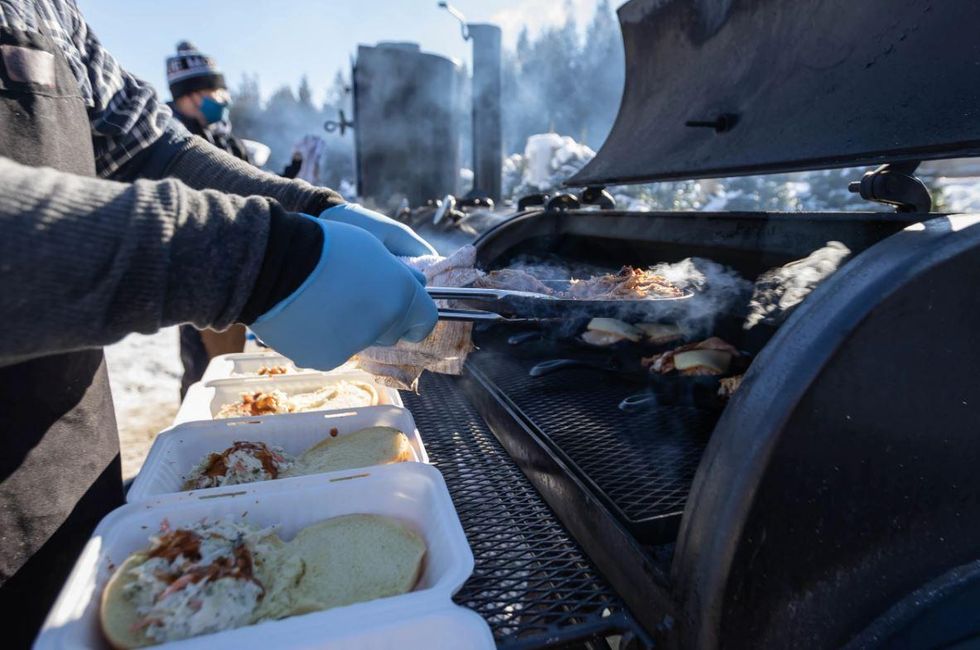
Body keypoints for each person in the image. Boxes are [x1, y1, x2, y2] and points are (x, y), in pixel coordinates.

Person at [0, 1, 438, 646]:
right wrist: (256, 259)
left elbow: (148, 150)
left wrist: (311, 212)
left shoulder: (44, 8)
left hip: (72, 476)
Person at [166, 41, 251, 396]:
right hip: (199, 275)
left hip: (235, 268)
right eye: (212, 91)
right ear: (189, 96)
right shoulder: (171, 140)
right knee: (205, 374)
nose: (222, 98)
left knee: (234, 368)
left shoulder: (224, 140)